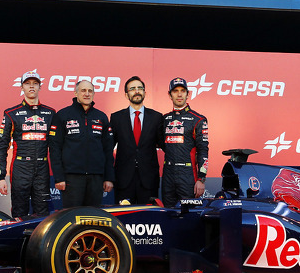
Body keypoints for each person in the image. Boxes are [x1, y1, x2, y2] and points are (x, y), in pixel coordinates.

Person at [0, 70, 56, 218]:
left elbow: (56, 146)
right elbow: (2, 146)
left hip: (42, 169)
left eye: (35, 83)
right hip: (21, 168)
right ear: (22, 87)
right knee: (19, 213)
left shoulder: (51, 113)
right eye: (27, 83)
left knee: (42, 214)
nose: (31, 87)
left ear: (40, 87)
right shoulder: (11, 113)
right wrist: (1, 177)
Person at [48, 79, 114, 208]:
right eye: (83, 90)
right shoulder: (62, 115)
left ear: (94, 94)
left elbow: (108, 150)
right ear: (76, 93)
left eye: (90, 91)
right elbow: (55, 148)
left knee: (93, 216)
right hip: (71, 178)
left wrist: (109, 178)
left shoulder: (102, 117)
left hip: (96, 178)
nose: (87, 94)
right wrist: (59, 177)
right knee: (72, 217)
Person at [110, 76, 163, 204]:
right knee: (124, 220)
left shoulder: (157, 117)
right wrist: (108, 176)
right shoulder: (116, 118)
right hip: (123, 179)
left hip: (149, 180)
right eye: (132, 89)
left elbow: (164, 145)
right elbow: (108, 148)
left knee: (148, 220)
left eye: (140, 88)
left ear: (145, 92)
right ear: (126, 94)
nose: (137, 91)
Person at [161, 77, 209, 208]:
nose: (179, 94)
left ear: (188, 94)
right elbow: (162, 144)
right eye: (175, 91)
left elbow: (203, 150)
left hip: (187, 174)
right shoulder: (164, 119)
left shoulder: (198, 119)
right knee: (168, 213)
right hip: (168, 173)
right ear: (170, 95)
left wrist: (201, 179)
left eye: (183, 90)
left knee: (188, 215)